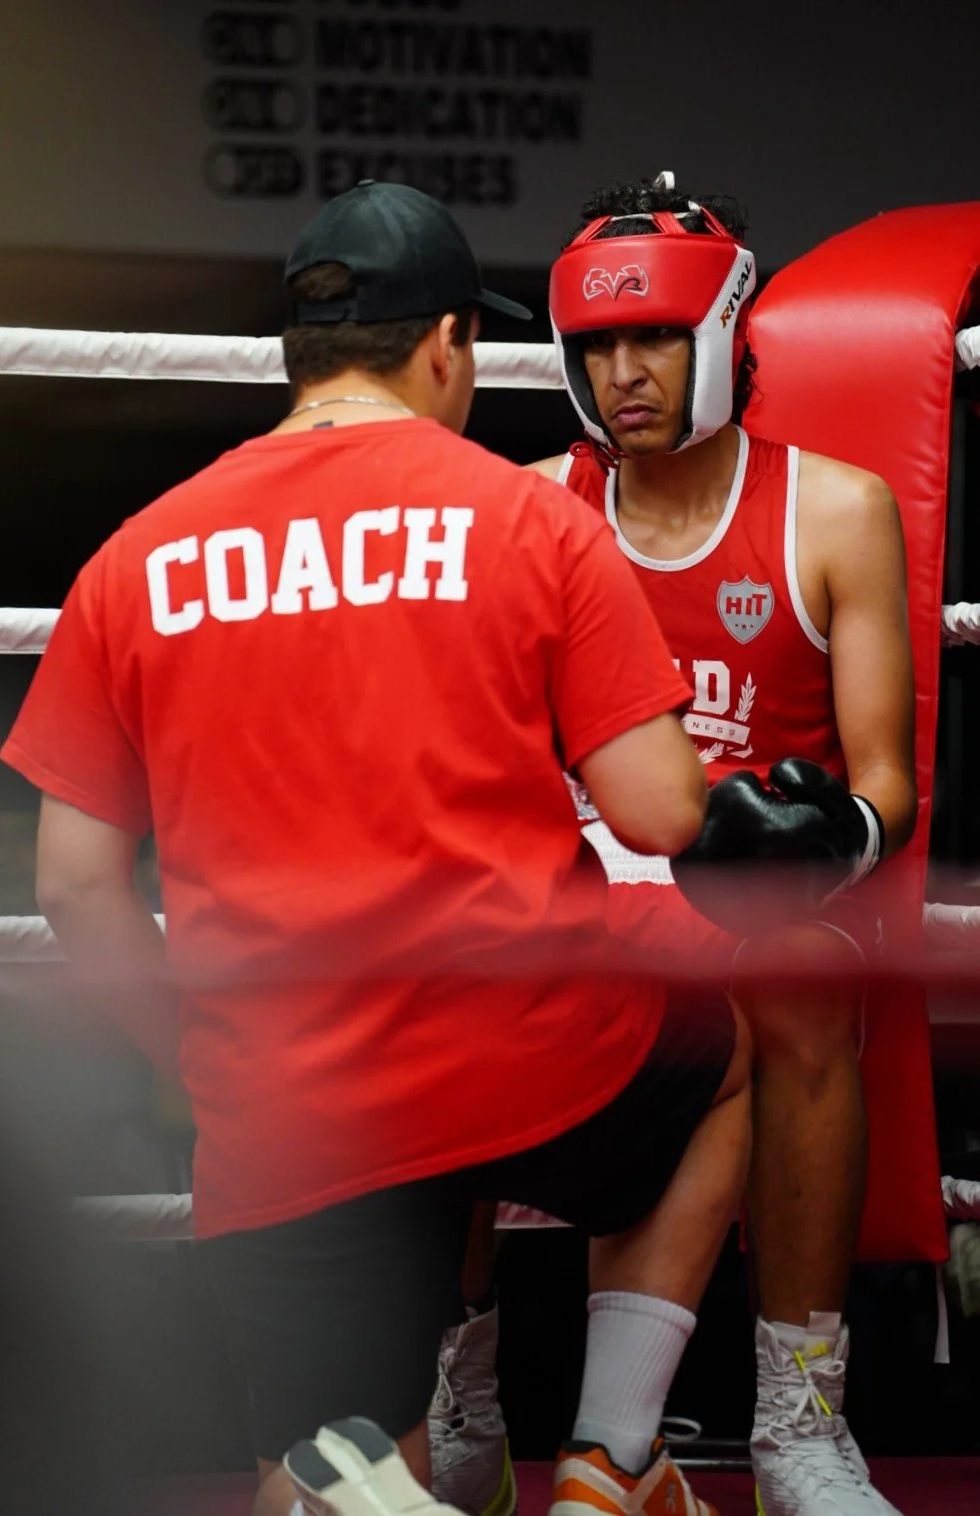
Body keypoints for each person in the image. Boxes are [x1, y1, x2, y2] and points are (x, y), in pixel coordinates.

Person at [1, 180, 752, 1516]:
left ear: (299, 354)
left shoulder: (138, 555)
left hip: (294, 1096)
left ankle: (382, 1470)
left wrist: (199, 1061)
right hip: (532, 1052)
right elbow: (661, 814)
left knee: (330, 1479)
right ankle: (613, 1456)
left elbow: (70, 884)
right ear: (450, 345)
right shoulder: (530, 519)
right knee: (736, 1041)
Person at [432, 175, 916, 1516]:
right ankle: (462, 1401)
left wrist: (826, 839)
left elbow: (887, 777)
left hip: (759, 911)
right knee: (436, 966)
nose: (624, 375)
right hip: (576, 896)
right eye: (597, 346)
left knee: (797, 976)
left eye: (653, 338)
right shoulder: (531, 508)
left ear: (723, 340)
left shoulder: (833, 510)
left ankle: (799, 1426)